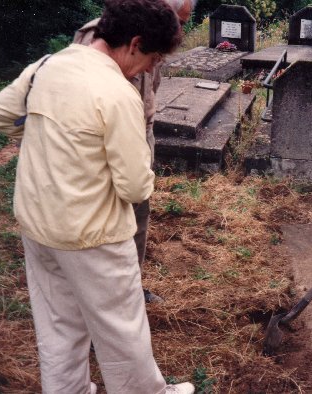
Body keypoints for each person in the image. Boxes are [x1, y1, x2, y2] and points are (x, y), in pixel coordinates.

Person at [0, 0, 195, 392]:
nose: (153, 68)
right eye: (154, 58)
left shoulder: (46, 67)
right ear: (134, 43)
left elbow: (1, 114)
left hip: (38, 225)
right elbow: (135, 187)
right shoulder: (117, 94)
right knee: (122, 331)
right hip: (94, 236)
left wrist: (51, 141)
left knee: (58, 327)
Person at [74, 0, 196, 304]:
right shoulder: (103, 36)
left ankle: (131, 286)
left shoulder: (155, 38)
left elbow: (147, 90)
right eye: (177, 20)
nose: (180, 30)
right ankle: (98, 302)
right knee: (105, 225)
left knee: (137, 218)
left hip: (139, 131)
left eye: (184, 23)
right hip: (105, 141)